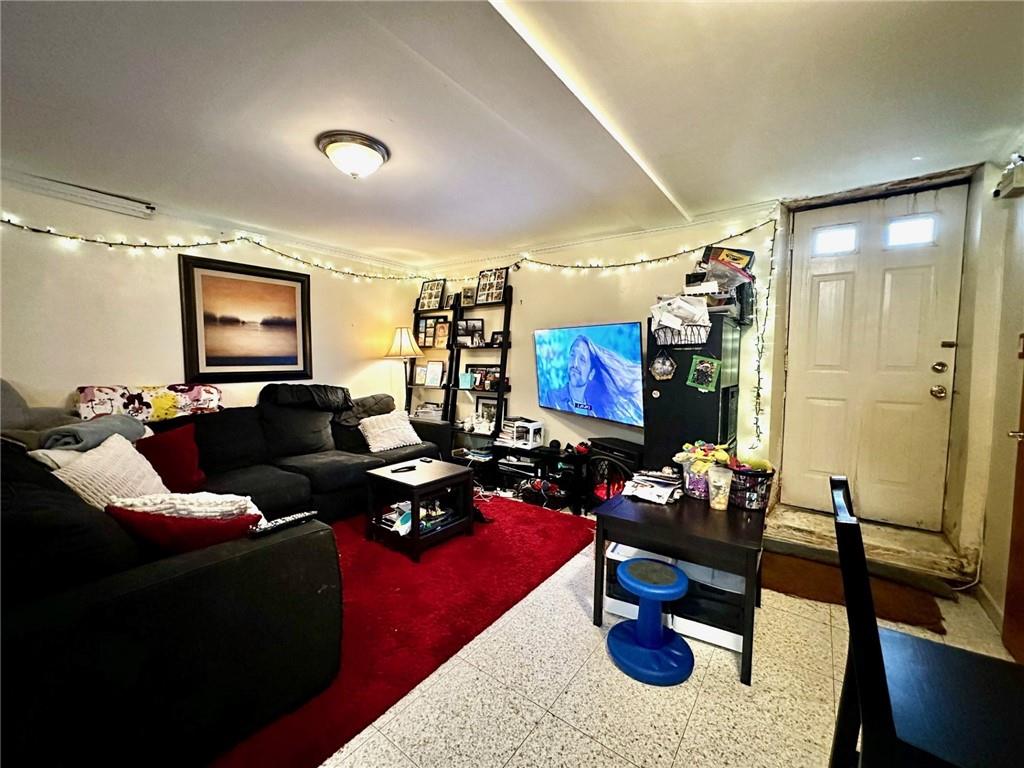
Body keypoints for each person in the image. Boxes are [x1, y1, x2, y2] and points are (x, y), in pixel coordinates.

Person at [542, 335, 643, 425]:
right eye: (572, 355)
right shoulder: (552, 398)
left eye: (582, 360)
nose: (575, 364)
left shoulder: (597, 411)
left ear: (591, 373)